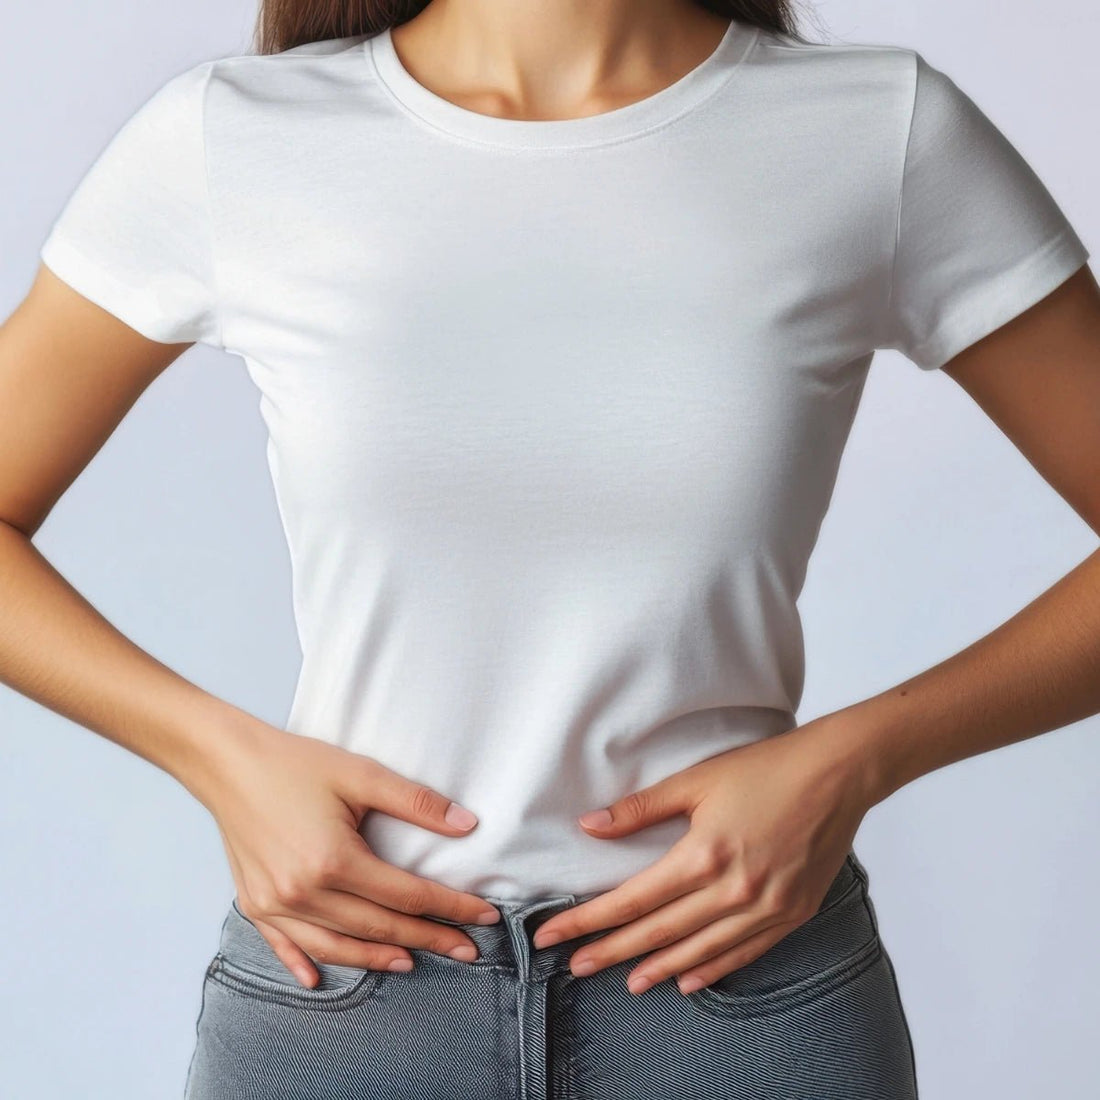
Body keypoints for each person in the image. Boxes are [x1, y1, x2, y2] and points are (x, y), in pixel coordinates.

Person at [4, 0, 1098, 1096]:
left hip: (738, 997)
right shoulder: (235, 135)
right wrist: (219, 758)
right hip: (345, 998)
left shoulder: (874, 129)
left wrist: (858, 757)